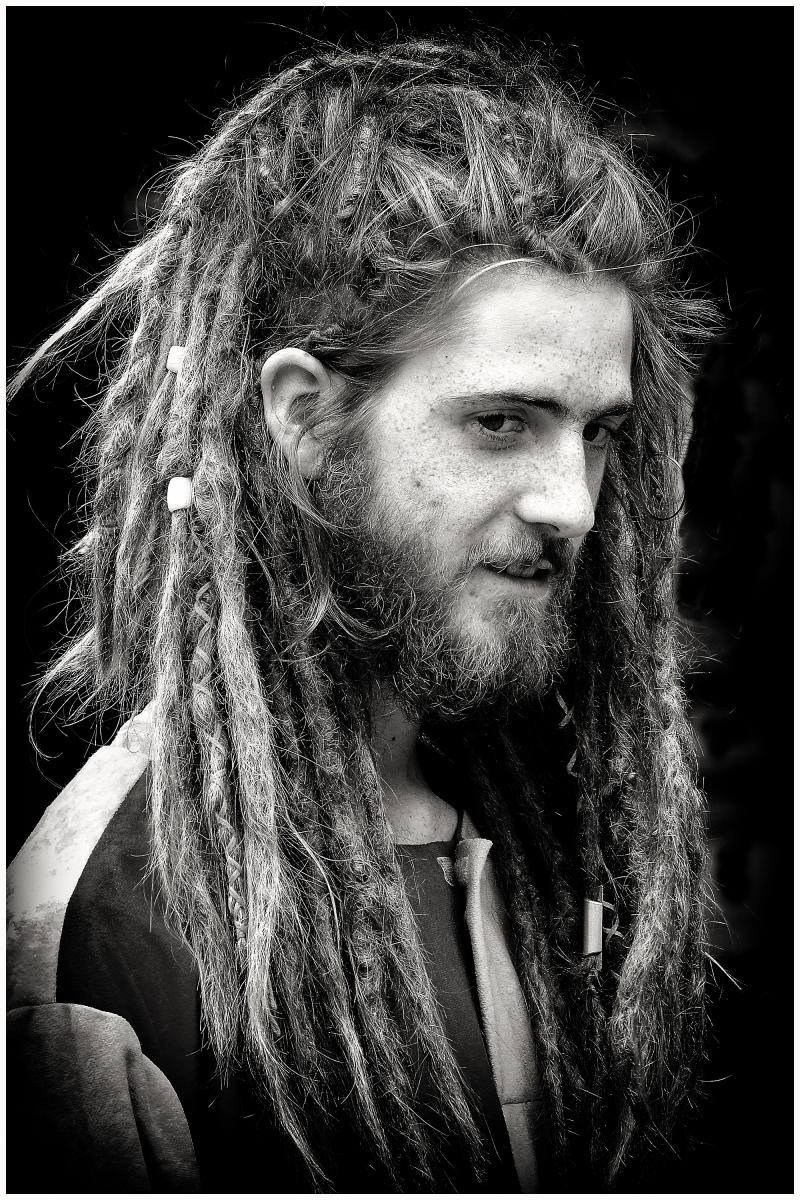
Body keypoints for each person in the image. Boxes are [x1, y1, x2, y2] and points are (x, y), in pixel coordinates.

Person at [7, 36, 716, 1193]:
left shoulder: (555, 811)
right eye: (499, 422)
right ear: (302, 419)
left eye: (596, 431)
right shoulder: (115, 924)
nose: (572, 503)